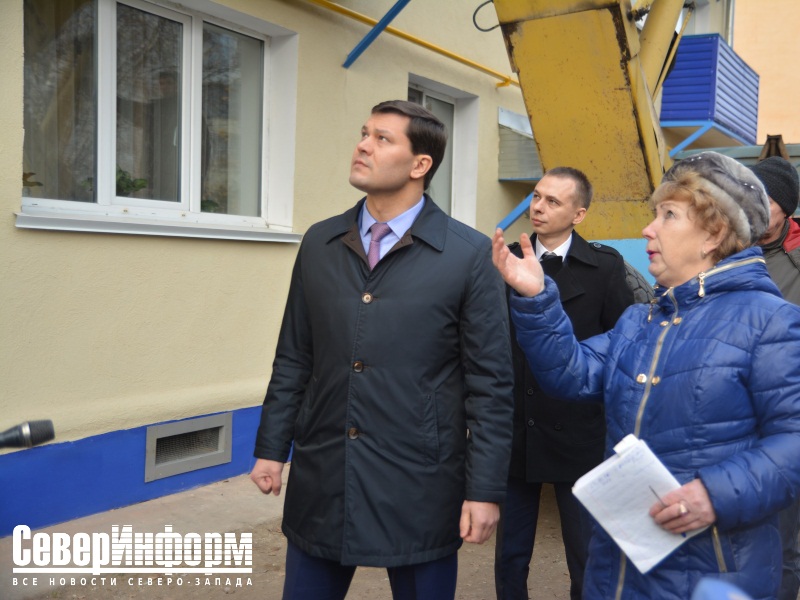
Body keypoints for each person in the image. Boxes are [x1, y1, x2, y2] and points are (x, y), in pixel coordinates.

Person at [492, 151, 800, 599]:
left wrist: (715, 494)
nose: (647, 229)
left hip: (713, 573)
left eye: (668, 215)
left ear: (713, 234)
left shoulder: (770, 322)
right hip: (620, 567)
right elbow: (570, 373)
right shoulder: (641, 320)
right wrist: (538, 298)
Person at [250, 100, 514, 600]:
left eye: (382, 139)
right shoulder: (321, 242)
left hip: (418, 482)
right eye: (364, 133)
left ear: (420, 165)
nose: (363, 146)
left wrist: (483, 490)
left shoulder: (468, 255)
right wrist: (271, 448)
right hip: (324, 472)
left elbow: (491, 386)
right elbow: (295, 355)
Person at [494, 167, 634, 600]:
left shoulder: (605, 266)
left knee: (585, 553)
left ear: (579, 214)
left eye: (552, 201)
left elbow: (622, 347)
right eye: (536, 196)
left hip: (578, 433)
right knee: (510, 555)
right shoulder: (503, 262)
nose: (538, 207)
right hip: (517, 428)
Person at [751, 155, 800, 600]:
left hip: (787, 422)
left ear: (786, 207)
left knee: (784, 546)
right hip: (736, 418)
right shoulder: (724, 250)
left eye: (764, 198)